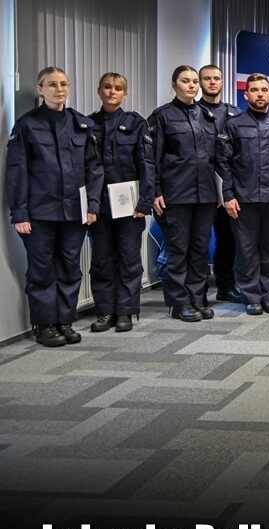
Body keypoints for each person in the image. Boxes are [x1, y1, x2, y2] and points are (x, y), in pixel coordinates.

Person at [6, 67, 102, 347]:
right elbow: (17, 171)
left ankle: (65, 321)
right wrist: (20, 212)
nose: (59, 89)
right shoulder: (27, 125)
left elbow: (94, 169)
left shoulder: (81, 124)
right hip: (39, 213)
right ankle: (45, 324)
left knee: (70, 268)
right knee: (42, 269)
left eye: (63, 84)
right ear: (40, 89)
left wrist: (92, 205)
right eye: (52, 84)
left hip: (74, 211)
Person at [216, 74, 269, 315]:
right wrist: (228, 195)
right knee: (246, 251)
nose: (260, 94)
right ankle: (251, 296)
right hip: (244, 200)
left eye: (264, 90)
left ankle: (268, 294)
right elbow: (223, 163)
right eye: (254, 90)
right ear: (246, 95)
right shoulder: (233, 125)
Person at [149, 66, 220, 322]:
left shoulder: (207, 116)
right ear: (174, 85)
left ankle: (197, 298)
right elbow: (152, 158)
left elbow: (216, 158)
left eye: (194, 81)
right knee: (178, 250)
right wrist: (155, 191)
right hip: (176, 194)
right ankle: (179, 303)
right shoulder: (162, 116)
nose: (191, 85)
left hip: (205, 195)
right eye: (185, 81)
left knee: (199, 250)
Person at [88, 73, 155, 334]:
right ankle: (105, 311)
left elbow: (146, 163)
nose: (112, 92)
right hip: (99, 205)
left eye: (118, 88)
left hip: (130, 205)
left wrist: (145, 201)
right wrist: (89, 204)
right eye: (107, 87)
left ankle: (126, 311)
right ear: (99, 90)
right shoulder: (88, 124)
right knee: (101, 260)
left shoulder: (135, 123)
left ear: (125, 93)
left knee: (129, 259)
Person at [198, 64, 241, 304]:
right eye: (207, 78)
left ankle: (226, 286)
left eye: (216, 78)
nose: (212, 82)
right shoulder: (193, 112)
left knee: (228, 240)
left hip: (228, 186)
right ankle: (198, 291)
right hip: (201, 186)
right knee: (199, 242)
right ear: (201, 82)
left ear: (223, 81)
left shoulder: (235, 113)